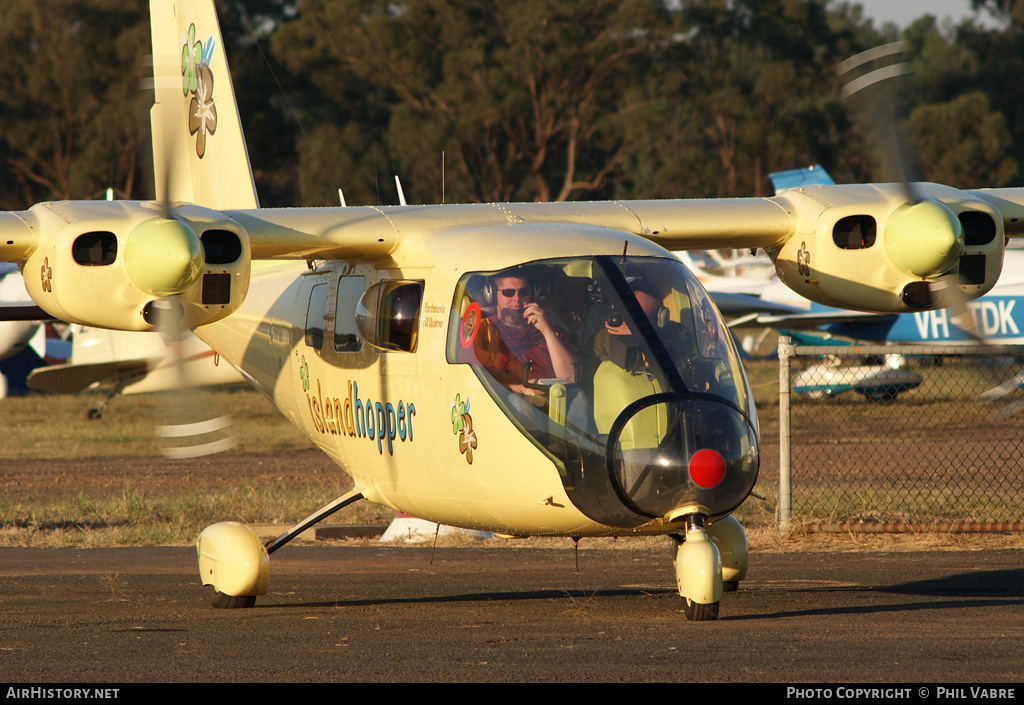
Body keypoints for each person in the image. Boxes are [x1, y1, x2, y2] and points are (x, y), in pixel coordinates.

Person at [473, 267, 578, 394]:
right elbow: (475, 381)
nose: (517, 298)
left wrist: (547, 332)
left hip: (554, 400)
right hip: (508, 407)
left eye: (524, 292)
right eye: (508, 292)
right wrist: (520, 389)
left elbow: (571, 378)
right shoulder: (484, 331)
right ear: (492, 296)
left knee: (579, 397)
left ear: (533, 294)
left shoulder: (553, 332)